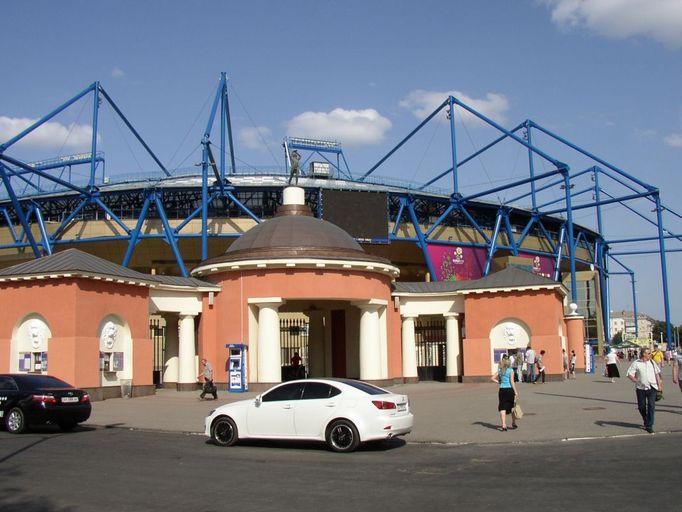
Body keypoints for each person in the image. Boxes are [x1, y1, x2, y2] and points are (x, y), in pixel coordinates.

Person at [627, 347, 662, 434]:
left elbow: (657, 374)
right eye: (649, 353)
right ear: (644, 354)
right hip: (640, 388)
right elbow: (629, 374)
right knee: (641, 407)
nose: (651, 354)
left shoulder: (652, 362)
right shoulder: (636, 363)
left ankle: (649, 425)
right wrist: (634, 380)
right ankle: (646, 419)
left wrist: (660, 385)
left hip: (652, 387)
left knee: (651, 406)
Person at [491, 355, 519, 431]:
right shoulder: (511, 370)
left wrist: (499, 382)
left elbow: (492, 378)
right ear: (509, 363)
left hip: (502, 390)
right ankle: (513, 423)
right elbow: (512, 382)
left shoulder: (500, 370)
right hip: (510, 390)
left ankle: (504, 425)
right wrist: (515, 391)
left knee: (502, 407)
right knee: (512, 406)